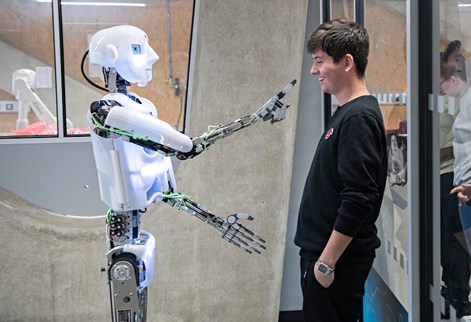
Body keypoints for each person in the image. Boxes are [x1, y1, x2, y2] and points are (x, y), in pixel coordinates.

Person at [294, 19, 388, 322]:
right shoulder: (347, 113)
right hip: (325, 258)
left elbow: (359, 197)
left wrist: (326, 263)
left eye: (319, 61)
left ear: (346, 62)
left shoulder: (358, 118)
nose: (313, 70)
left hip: (334, 263)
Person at [439, 41, 471, 319]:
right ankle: (452, 291)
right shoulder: (442, 94)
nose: (459, 64)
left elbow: (461, 141)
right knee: (447, 239)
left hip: (454, 177)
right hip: (448, 180)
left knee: (456, 241)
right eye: (455, 58)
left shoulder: (463, 98)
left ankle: (459, 295)